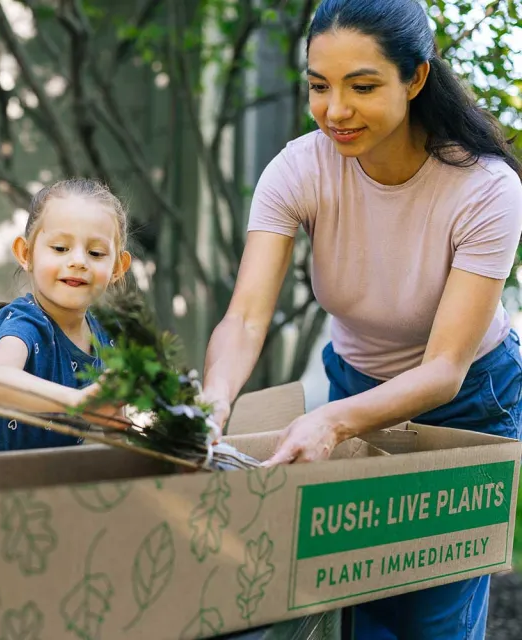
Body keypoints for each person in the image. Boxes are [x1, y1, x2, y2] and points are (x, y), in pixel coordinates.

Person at [202, 0, 522, 638]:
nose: (335, 111)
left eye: (363, 86)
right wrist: (211, 403)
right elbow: (243, 319)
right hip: (354, 386)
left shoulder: (485, 189)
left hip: (468, 406)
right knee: (361, 604)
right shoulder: (298, 167)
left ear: (416, 79)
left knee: (435, 616)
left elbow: (443, 369)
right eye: (319, 86)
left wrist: (329, 420)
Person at [0, 178, 131, 456]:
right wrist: (77, 400)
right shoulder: (26, 322)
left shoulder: (109, 338)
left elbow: (113, 427)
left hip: (37, 481)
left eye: (96, 253)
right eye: (60, 248)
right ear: (26, 254)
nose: (78, 262)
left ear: (118, 267)